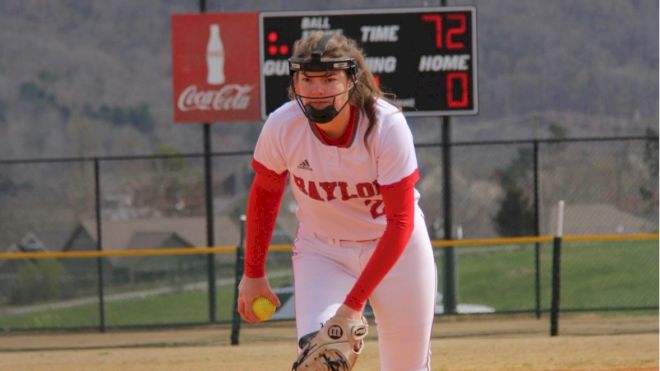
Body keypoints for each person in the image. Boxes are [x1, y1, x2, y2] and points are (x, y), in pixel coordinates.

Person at [237, 31, 437, 371]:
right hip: (322, 251)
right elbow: (265, 195)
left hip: (395, 251)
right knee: (321, 357)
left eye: (329, 78)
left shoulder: (385, 126)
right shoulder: (283, 126)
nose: (317, 89)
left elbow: (400, 222)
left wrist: (352, 305)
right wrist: (253, 272)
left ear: (352, 81)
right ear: (295, 81)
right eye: (307, 78)